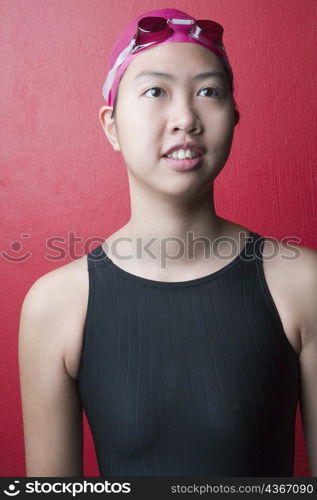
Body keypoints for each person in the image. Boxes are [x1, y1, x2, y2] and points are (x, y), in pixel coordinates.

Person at [18, 8, 317, 477]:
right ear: (111, 126)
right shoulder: (55, 305)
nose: (185, 118)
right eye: (155, 91)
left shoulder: (302, 284)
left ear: (234, 118)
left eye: (208, 91)